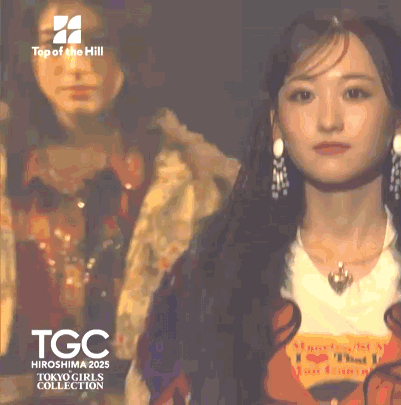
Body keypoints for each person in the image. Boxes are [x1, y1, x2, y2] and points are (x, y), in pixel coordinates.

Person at [129, 11, 401, 405]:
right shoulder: (206, 279)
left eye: (354, 93)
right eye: (303, 95)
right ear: (276, 123)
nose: (328, 120)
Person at [0, 1, 240, 403]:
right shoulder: (8, 172)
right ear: (29, 53)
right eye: (55, 44)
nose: (76, 65)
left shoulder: (192, 184)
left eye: (96, 41)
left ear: (128, 48)